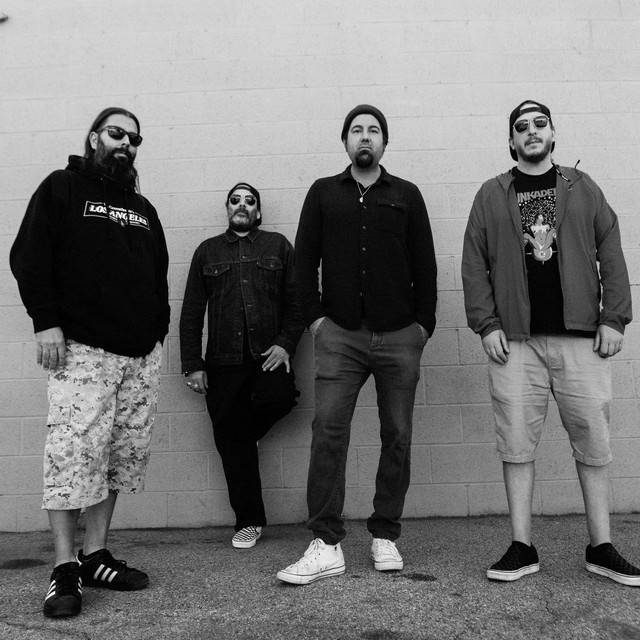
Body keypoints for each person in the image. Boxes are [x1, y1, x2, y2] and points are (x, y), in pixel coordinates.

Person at [462, 99, 640, 586]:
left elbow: (611, 250)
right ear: (511, 140)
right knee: (516, 445)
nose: (531, 131)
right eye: (521, 127)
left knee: (594, 443)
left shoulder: (582, 187)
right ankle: (522, 546)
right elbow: (474, 261)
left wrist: (614, 318)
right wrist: (487, 324)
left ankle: (601, 547)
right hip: (515, 343)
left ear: (553, 133)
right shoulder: (491, 194)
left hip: (581, 340)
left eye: (540, 123)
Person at [10, 107, 170, 617]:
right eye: (117, 133)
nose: (126, 144)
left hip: (139, 356)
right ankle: (63, 569)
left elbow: (159, 272)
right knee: (72, 455)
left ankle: (95, 555)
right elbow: (28, 255)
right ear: (95, 137)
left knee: (116, 458)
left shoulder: (142, 207)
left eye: (134, 138)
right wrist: (45, 322)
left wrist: (158, 332)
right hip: (83, 349)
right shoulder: (62, 187)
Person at [277, 105, 437, 585]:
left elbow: (425, 264)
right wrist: (316, 320)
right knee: (328, 431)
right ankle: (326, 543)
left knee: (398, 434)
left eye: (373, 130)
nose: (365, 137)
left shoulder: (406, 195)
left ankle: (385, 533)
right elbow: (304, 262)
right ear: (345, 141)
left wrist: (422, 326)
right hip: (340, 335)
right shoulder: (323, 193)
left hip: (400, 335)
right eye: (356, 131)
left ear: (384, 142)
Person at [179, 182, 304, 549]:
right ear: (227, 209)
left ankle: (244, 436)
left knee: (279, 401)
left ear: (258, 212)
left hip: (268, 356)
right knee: (230, 443)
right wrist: (193, 364)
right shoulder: (207, 252)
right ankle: (249, 521)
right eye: (235, 200)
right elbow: (191, 312)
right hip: (223, 361)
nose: (242, 205)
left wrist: (285, 344)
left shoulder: (278, 246)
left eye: (250, 201)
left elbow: (297, 302)